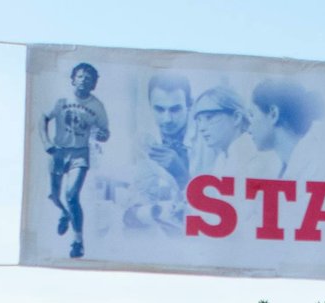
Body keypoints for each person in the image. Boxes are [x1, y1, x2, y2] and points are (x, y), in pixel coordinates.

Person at [41, 61, 109, 260]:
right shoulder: (61, 99)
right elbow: (43, 118)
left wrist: (102, 135)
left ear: (93, 84)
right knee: (54, 196)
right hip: (59, 152)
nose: (83, 81)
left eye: (88, 79)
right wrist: (46, 142)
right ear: (73, 79)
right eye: (80, 77)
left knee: (71, 195)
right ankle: (64, 213)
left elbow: (105, 133)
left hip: (79, 154)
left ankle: (77, 241)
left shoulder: (97, 106)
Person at [123, 72, 192, 236]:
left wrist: (182, 176)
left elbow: (216, 211)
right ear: (150, 105)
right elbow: (138, 198)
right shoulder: (144, 140)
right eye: (159, 109)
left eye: (175, 109)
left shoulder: (208, 138)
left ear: (190, 105)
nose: (167, 119)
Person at [248, 79, 325, 179]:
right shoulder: (294, 166)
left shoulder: (314, 166)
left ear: (273, 114)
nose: (248, 129)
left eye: (252, 115)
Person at [189, 85, 255, 176]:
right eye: (199, 120)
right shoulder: (222, 159)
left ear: (236, 118)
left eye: (209, 117)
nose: (201, 128)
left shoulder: (254, 157)